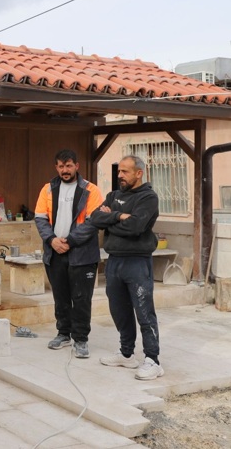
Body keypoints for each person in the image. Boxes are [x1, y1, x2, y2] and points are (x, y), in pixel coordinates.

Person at [89, 155, 162, 380]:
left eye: (125, 172)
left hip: (137, 262)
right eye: (119, 171)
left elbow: (136, 227)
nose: (119, 175)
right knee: (119, 310)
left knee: (143, 310)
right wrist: (119, 216)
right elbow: (94, 218)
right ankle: (126, 354)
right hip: (114, 261)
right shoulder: (114, 195)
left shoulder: (148, 197)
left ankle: (152, 359)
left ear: (139, 173)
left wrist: (110, 221)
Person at [34, 149, 103, 358]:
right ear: (56, 167)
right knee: (60, 296)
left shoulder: (91, 190)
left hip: (82, 255)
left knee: (82, 298)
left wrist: (69, 241)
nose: (65, 170)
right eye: (61, 166)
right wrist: (52, 240)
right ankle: (63, 333)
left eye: (69, 165)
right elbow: (40, 218)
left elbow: (94, 223)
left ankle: (81, 339)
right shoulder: (47, 189)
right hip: (55, 253)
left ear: (77, 166)